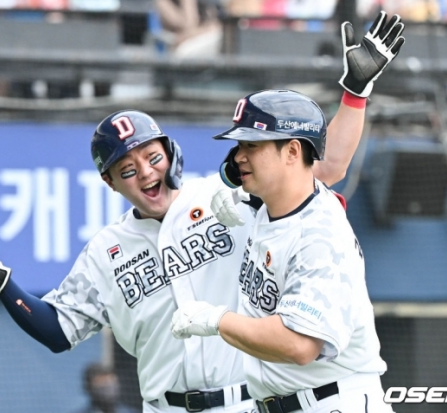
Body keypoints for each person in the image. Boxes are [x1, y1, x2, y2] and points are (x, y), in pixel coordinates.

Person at [0, 11, 403, 413]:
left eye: (152, 157)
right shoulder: (106, 251)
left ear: (171, 153)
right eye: (127, 169)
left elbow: (320, 167)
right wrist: (2, 283)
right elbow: (57, 330)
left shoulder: (229, 197)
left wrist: (354, 93)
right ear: (110, 183)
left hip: (248, 401)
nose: (146, 172)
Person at [170, 11, 405, 413]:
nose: (239, 156)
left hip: (333, 402)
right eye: (239, 146)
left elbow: (299, 346)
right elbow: (327, 165)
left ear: (293, 151)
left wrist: (216, 320)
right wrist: (354, 92)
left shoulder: (319, 236)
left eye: (252, 145)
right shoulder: (276, 198)